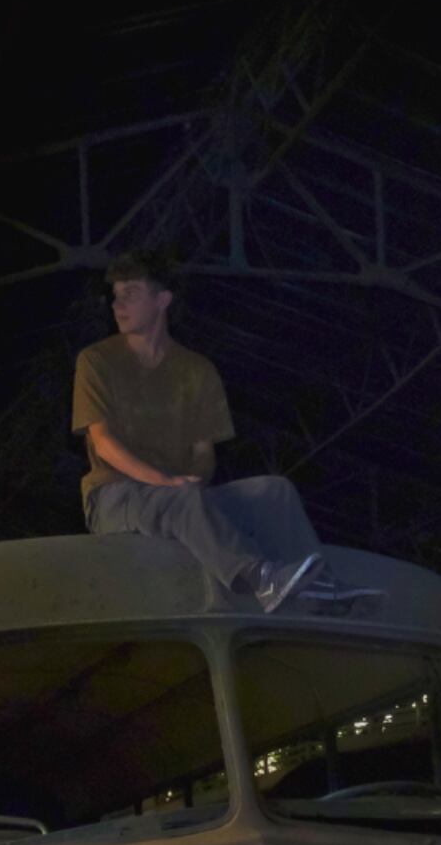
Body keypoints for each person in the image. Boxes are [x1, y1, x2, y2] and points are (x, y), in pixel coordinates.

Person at [71, 252, 329, 611]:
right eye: (115, 295)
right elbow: (104, 443)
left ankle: (319, 587)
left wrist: (192, 480)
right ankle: (261, 580)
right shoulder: (96, 361)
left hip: (180, 497)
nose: (118, 304)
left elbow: (204, 452)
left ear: (162, 299)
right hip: (114, 497)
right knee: (183, 499)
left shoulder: (197, 370)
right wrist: (166, 482)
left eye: (130, 293)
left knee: (275, 491)